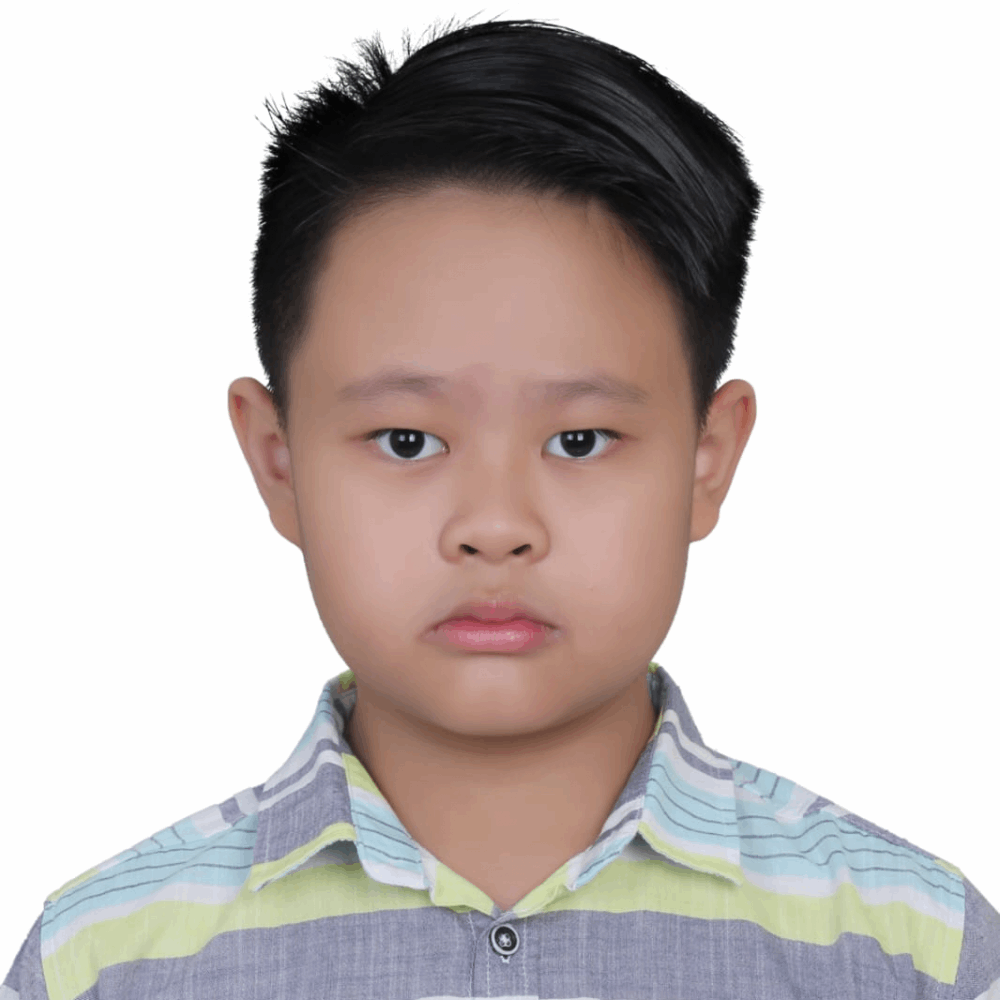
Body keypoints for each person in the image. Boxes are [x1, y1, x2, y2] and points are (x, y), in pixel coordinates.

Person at [5, 14, 999, 1000]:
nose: (493, 526)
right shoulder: (104, 963)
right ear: (278, 462)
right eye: (407, 440)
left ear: (708, 460)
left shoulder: (912, 950)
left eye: (580, 440)